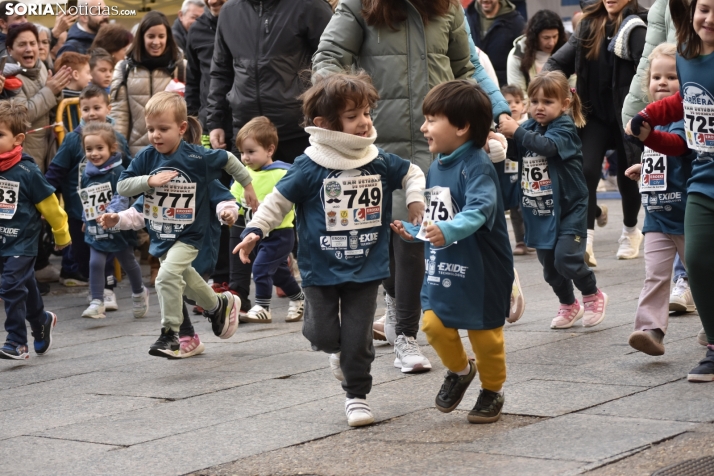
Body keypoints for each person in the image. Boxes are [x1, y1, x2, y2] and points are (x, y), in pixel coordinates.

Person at [313, 0, 511, 372]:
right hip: (371, 144)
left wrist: (489, 118)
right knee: (378, 237)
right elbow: (328, 58)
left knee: (413, 239)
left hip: (433, 142)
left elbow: (465, 67)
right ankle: (389, 312)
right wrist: (346, 106)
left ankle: (404, 332)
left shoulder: (446, 7)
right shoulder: (358, 6)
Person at [234, 72, 426, 427]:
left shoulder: (377, 159)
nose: (365, 121)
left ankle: (357, 396)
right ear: (324, 124)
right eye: (353, 116)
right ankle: (336, 352)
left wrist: (414, 199)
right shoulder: (309, 166)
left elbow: (412, 171)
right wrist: (254, 231)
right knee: (323, 336)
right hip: (320, 269)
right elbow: (277, 202)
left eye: (367, 113)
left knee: (358, 338)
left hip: (367, 266)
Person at [391, 80, 513, 423]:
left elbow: (479, 210)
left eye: (431, 119)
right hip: (445, 266)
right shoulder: (437, 165)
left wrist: (445, 230)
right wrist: (415, 231)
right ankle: (460, 371)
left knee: (484, 336)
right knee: (432, 324)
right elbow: (437, 218)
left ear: (461, 127)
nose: (423, 127)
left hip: (482, 271)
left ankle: (493, 389)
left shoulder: (477, 165)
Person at [116, 91, 258, 358]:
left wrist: (247, 185)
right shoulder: (147, 157)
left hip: (191, 236)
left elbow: (227, 159)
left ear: (181, 129)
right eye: (150, 129)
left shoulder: (197, 158)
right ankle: (218, 306)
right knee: (186, 281)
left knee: (166, 277)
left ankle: (171, 334)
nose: (155, 135)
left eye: (163, 129)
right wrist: (149, 181)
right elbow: (123, 186)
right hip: (162, 235)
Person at [624, 0, 714, 381]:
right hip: (704, 176)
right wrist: (647, 119)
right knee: (697, 259)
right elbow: (682, 102)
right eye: (704, 9)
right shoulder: (687, 56)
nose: (708, 19)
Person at [499, 71, 608, 330]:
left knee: (566, 258)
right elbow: (514, 151)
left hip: (571, 207)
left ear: (564, 105)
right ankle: (569, 304)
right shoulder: (527, 128)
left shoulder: (565, 128)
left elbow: (546, 146)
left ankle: (592, 294)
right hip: (540, 208)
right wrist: (499, 139)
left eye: (547, 102)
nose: (539, 107)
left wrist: (516, 132)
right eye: (535, 101)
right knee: (549, 267)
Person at [545, 0, 647, 266]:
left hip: (628, 115)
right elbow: (557, 62)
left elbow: (650, 67)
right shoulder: (589, 24)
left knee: (628, 176)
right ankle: (585, 239)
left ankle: (630, 230)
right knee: (586, 170)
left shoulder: (640, 23)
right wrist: (549, 91)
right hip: (594, 115)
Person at [620, 0, 694, 314]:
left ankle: (706, 323)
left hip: (685, 210)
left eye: (670, 77)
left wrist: (649, 137)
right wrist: (645, 163)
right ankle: (649, 328)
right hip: (657, 214)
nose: (661, 82)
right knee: (653, 273)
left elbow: (676, 145)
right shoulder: (654, 117)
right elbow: (660, 153)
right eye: (656, 78)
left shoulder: (681, 116)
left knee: (700, 270)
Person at [206, 0, 332, 163]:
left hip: (298, 132)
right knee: (246, 189)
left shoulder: (310, 5)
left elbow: (332, 62)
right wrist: (215, 122)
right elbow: (221, 72)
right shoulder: (229, 11)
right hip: (246, 132)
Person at [0, 100, 70, 360]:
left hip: (22, 241)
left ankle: (17, 342)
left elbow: (51, 207)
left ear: (18, 139)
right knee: (22, 283)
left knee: (10, 286)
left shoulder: (27, 171)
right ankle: (41, 320)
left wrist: (62, 235)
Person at [45, 85, 131, 296]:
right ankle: (98, 286)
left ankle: (105, 291)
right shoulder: (73, 140)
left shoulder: (117, 139)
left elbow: (131, 168)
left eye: (96, 107)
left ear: (108, 109)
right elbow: (56, 170)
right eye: (86, 109)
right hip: (78, 210)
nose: (91, 113)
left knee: (106, 251)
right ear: (80, 112)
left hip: (111, 210)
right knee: (83, 257)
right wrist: (43, 196)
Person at [230, 117, 304, 323]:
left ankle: (262, 306)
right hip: (255, 236)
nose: (245, 158)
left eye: (251, 152)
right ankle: (299, 299)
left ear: (270, 150)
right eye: (242, 152)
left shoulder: (283, 173)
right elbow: (233, 200)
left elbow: (296, 198)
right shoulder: (243, 176)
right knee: (279, 274)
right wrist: (230, 211)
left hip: (280, 234)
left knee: (260, 269)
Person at [77, 122, 149, 319]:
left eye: (100, 148)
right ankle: (97, 301)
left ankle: (139, 291)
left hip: (117, 225)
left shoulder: (118, 172)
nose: (94, 153)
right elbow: (86, 197)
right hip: (95, 227)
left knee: (127, 261)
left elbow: (122, 197)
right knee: (95, 263)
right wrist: (86, 218)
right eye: (89, 149)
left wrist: (112, 215)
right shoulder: (86, 172)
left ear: (112, 148)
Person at [110, 11, 185, 156]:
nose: (156, 42)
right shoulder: (124, 68)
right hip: (136, 154)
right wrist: (117, 150)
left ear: (168, 38)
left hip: (174, 153)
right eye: (151, 36)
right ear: (141, 37)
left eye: (161, 36)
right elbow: (119, 114)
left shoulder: (181, 68)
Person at [5, 23, 72, 172]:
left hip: (45, 148)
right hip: (23, 153)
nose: (29, 49)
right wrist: (50, 90)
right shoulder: (8, 76)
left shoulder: (41, 65)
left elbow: (50, 105)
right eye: (22, 44)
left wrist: (56, 90)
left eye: (32, 43)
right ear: (10, 50)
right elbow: (22, 115)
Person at [185, 0, 227, 139]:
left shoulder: (246, 24)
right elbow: (192, 82)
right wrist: (192, 122)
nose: (212, 1)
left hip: (245, 123)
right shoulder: (196, 29)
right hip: (207, 125)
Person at [465, 0, 527, 86]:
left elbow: (522, 57)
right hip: (472, 84)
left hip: (503, 87)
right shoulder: (467, 17)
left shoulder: (516, 22)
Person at [507, 9, 567, 95]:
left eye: (555, 36)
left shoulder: (565, 53)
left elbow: (571, 89)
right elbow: (518, 96)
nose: (552, 42)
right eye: (546, 38)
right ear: (534, 37)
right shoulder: (517, 55)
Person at [500, 84, 528, 254]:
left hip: (526, 174)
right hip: (507, 174)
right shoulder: (499, 128)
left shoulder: (528, 126)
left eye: (517, 101)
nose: (514, 105)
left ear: (524, 105)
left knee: (525, 207)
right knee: (513, 208)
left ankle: (531, 237)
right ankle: (520, 241)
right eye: (509, 102)